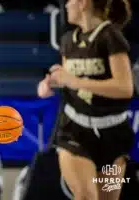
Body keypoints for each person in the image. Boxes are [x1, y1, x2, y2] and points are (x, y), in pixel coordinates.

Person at [37, 0, 135, 200]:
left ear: (83, 3)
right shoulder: (68, 40)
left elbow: (125, 88)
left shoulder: (111, 37)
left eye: (70, 1)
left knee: (107, 197)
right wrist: (48, 83)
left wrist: (74, 80)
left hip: (113, 134)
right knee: (85, 196)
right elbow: (67, 80)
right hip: (75, 129)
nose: (66, 6)